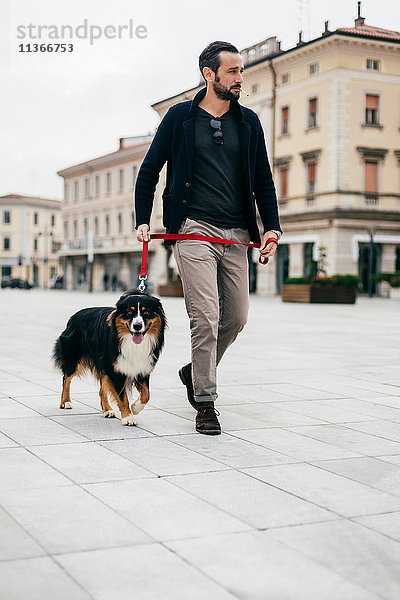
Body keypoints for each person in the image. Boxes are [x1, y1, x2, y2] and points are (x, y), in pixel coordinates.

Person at [135, 41, 282, 435]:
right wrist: (142, 219)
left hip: (236, 231)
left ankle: (193, 371)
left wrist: (272, 227)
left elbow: (264, 181)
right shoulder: (179, 118)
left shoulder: (249, 122)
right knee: (205, 315)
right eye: (232, 71)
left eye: (241, 71)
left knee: (235, 317)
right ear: (209, 75)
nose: (239, 78)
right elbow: (149, 171)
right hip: (192, 227)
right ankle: (205, 402)